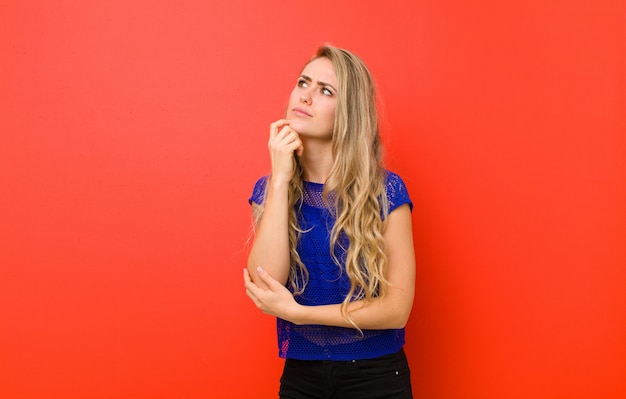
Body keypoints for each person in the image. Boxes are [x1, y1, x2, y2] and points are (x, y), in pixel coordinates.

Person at [243, 44, 416, 399]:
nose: (305, 96)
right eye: (303, 83)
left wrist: (300, 313)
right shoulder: (272, 190)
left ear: (349, 113)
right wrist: (279, 179)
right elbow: (265, 282)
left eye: (325, 91)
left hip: (377, 377)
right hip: (301, 378)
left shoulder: (386, 191)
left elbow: (396, 310)